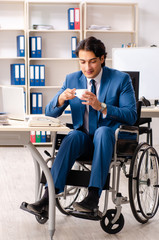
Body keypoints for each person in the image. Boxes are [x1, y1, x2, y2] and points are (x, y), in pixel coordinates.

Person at [27, 36, 137, 214]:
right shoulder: (72, 79)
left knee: (102, 132)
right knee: (73, 135)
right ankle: (48, 198)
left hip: (109, 143)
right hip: (83, 141)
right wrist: (61, 98)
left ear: (102, 59)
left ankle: (93, 196)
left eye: (92, 61)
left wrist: (100, 106)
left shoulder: (120, 79)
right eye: (82, 62)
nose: (87, 67)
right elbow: (49, 113)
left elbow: (131, 116)